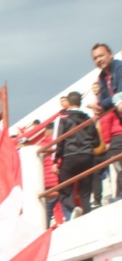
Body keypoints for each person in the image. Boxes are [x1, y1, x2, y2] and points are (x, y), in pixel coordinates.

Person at [52, 91, 100, 220]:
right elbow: (97, 142)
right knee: (85, 192)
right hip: (87, 156)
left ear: (68, 102)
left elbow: (59, 141)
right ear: (80, 102)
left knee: (64, 190)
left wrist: (55, 161)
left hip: (70, 156)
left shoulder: (63, 119)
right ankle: (88, 217)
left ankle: (73, 209)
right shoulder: (88, 119)